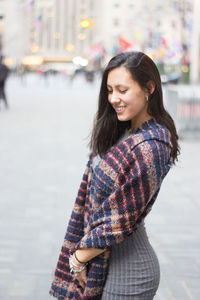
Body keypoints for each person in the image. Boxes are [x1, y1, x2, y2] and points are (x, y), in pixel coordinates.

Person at [50, 51, 180, 300]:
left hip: (129, 275)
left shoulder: (152, 145)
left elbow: (120, 219)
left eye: (122, 90)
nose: (113, 99)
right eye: (110, 90)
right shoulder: (124, 129)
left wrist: (79, 257)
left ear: (148, 89)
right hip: (105, 262)